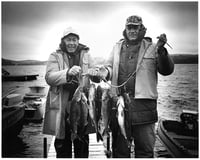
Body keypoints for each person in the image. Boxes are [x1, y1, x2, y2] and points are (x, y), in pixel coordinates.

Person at [91, 15, 174, 158]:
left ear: (141, 28)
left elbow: (166, 70)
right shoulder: (117, 47)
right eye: (129, 27)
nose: (132, 30)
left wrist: (162, 51)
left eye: (136, 27)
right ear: (125, 28)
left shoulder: (153, 47)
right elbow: (108, 67)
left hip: (144, 110)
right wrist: (102, 72)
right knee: (120, 153)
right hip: (119, 108)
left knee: (145, 152)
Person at [42, 27, 96, 158]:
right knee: (62, 146)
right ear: (63, 41)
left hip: (82, 105)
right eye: (68, 39)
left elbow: (95, 74)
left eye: (74, 40)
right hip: (62, 107)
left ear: (78, 41)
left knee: (82, 145)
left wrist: (96, 74)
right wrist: (67, 72)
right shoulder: (54, 56)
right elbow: (49, 77)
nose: (72, 43)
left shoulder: (87, 55)